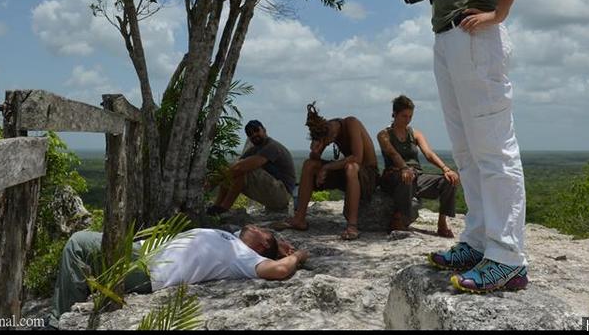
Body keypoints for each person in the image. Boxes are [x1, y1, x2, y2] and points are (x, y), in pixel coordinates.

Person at [425, 0, 529, 294]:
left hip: (474, 36)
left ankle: (507, 258)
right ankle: (480, 239)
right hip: (449, 36)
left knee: (493, 150)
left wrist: (499, 12)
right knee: (467, 150)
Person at [48, 224, 308, 328]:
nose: (259, 227)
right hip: (141, 252)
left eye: (265, 232)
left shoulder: (245, 256)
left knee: (79, 243)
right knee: (85, 242)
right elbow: (272, 236)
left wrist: (297, 256)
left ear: (263, 246)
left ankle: (56, 323)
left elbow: (280, 270)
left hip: (149, 270)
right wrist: (281, 242)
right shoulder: (233, 236)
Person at [280, 102, 379, 240]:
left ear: (331, 133)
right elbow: (314, 159)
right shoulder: (326, 131)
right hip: (346, 173)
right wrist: (315, 150)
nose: (329, 142)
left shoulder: (351, 123)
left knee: (351, 167)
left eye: (328, 140)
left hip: (367, 175)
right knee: (309, 165)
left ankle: (352, 225)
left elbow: (357, 158)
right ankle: (299, 218)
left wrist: (327, 168)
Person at [376, 95, 460, 236]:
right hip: (394, 176)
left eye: (410, 116)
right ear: (394, 114)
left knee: (448, 181)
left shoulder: (415, 133)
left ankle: (442, 222)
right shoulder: (384, 135)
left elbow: (428, 153)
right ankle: (399, 218)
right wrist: (404, 168)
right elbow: (392, 153)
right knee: (407, 177)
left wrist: (446, 169)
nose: (407, 120)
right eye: (404, 116)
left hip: (416, 176)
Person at [206, 120, 296, 216]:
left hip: (283, 195)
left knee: (244, 171)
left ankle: (223, 209)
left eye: (256, 130)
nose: (254, 134)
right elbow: (235, 166)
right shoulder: (253, 150)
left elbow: (242, 168)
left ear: (264, 130)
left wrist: (213, 182)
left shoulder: (272, 147)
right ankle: (216, 206)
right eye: (250, 133)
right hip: (273, 194)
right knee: (231, 169)